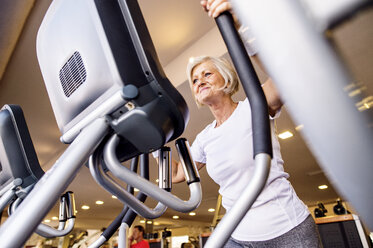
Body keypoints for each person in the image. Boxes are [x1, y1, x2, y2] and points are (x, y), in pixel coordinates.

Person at [154, 1, 323, 247]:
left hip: (286, 229)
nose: (199, 81)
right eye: (194, 79)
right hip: (239, 234)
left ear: (227, 78)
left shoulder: (252, 106)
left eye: (207, 74)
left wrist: (241, 29)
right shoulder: (205, 137)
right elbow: (179, 173)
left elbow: (285, 77)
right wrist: (151, 139)